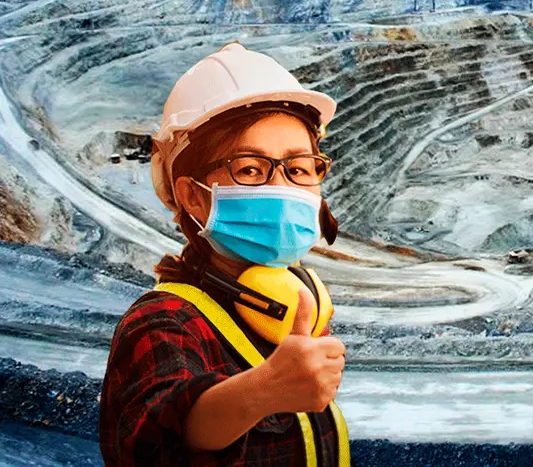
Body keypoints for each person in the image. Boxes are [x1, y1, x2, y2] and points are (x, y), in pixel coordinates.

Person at [99, 42, 350, 466]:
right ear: (193, 197)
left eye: (300, 168)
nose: (283, 187)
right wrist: (264, 390)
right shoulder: (161, 322)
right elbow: (152, 440)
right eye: (250, 169)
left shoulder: (287, 310)